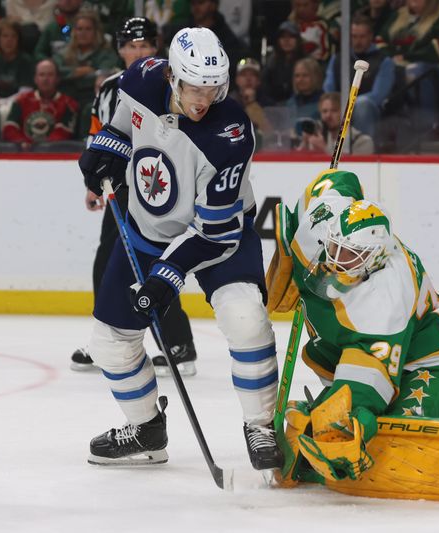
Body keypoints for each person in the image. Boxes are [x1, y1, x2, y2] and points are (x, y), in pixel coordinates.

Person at [265, 168, 439, 505]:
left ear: (374, 260)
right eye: (335, 248)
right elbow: (338, 181)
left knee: (396, 432)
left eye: (350, 257)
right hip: (360, 350)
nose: (336, 261)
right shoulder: (325, 216)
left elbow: (368, 378)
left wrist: (352, 418)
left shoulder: (386, 296)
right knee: (343, 424)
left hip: (431, 364)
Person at [77, 27, 282, 471]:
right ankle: (147, 431)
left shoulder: (229, 134)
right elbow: (120, 124)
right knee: (110, 341)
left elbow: (214, 235)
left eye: (213, 88)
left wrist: (166, 276)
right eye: (194, 87)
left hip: (217, 236)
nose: (203, 99)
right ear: (171, 75)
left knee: (245, 319)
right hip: (148, 229)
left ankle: (262, 423)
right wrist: (106, 152)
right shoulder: (139, 79)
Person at [70, 16, 199, 376]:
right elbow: (98, 133)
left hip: (154, 185)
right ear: (121, 49)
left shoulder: (172, 85)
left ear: (155, 49)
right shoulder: (110, 87)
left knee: (152, 261)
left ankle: (178, 344)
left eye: (145, 46)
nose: (139, 52)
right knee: (107, 260)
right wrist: (92, 183)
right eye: (132, 46)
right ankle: (106, 339)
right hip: (118, 185)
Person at [375, 0, 439, 128]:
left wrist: (406, 57)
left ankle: (428, 124)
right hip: (400, 66)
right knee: (387, 69)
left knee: (415, 71)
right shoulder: (398, 15)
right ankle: (389, 126)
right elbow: (380, 41)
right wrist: (391, 57)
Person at [323, 14, 395, 141]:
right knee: (326, 106)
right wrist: (337, 105)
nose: (357, 41)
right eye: (354, 36)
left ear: (371, 36)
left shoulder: (384, 61)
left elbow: (377, 96)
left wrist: (349, 104)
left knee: (363, 104)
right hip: (340, 108)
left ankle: (362, 149)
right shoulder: (338, 58)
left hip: (371, 111)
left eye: (362, 37)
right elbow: (329, 89)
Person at [3, 59, 78, 150]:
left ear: (57, 79)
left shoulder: (68, 103)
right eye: (42, 75)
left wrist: (43, 147)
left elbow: (63, 132)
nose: (45, 79)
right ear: (35, 79)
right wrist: (21, 142)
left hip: (53, 153)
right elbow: (9, 127)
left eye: (50, 75)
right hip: (24, 152)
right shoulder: (21, 100)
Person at [53, 10, 120, 107]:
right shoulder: (65, 52)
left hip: (92, 100)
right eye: (79, 29)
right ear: (74, 31)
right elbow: (55, 71)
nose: (83, 33)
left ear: (96, 31)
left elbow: (105, 72)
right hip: (65, 100)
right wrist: (79, 71)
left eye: (88, 29)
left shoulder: (106, 53)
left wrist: (70, 76)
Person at [0, 18, 36, 127]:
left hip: (18, 103)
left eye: (13, 36)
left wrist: (6, 102)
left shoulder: (25, 60)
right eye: (5, 36)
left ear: (18, 39)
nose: (9, 40)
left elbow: (26, 90)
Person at [296, 91, 374, 155]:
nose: (328, 115)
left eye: (334, 111)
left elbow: (350, 171)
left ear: (345, 113)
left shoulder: (362, 141)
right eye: (324, 111)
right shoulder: (316, 138)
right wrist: (304, 145)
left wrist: (324, 149)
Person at [261, 20, 305, 104]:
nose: (286, 40)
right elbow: (265, 88)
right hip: (274, 106)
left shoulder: (306, 62)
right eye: (283, 37)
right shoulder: (271, 62)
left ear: (298, 40)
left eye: (291, 36)